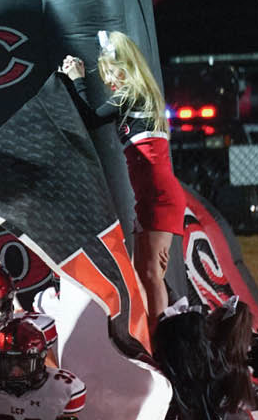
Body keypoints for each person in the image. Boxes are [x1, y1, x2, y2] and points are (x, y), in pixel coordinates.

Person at [61, 33, 186, 329]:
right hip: (150, 196)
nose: (108, 82)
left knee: (149, 272)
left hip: (158, 196)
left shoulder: (132, 94)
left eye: (110, 73)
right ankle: (169, 322)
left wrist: (75, 79)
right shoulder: (135, 98)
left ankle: (163, 342)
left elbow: (90, 120)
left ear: (125, 68)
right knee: (144, 273)